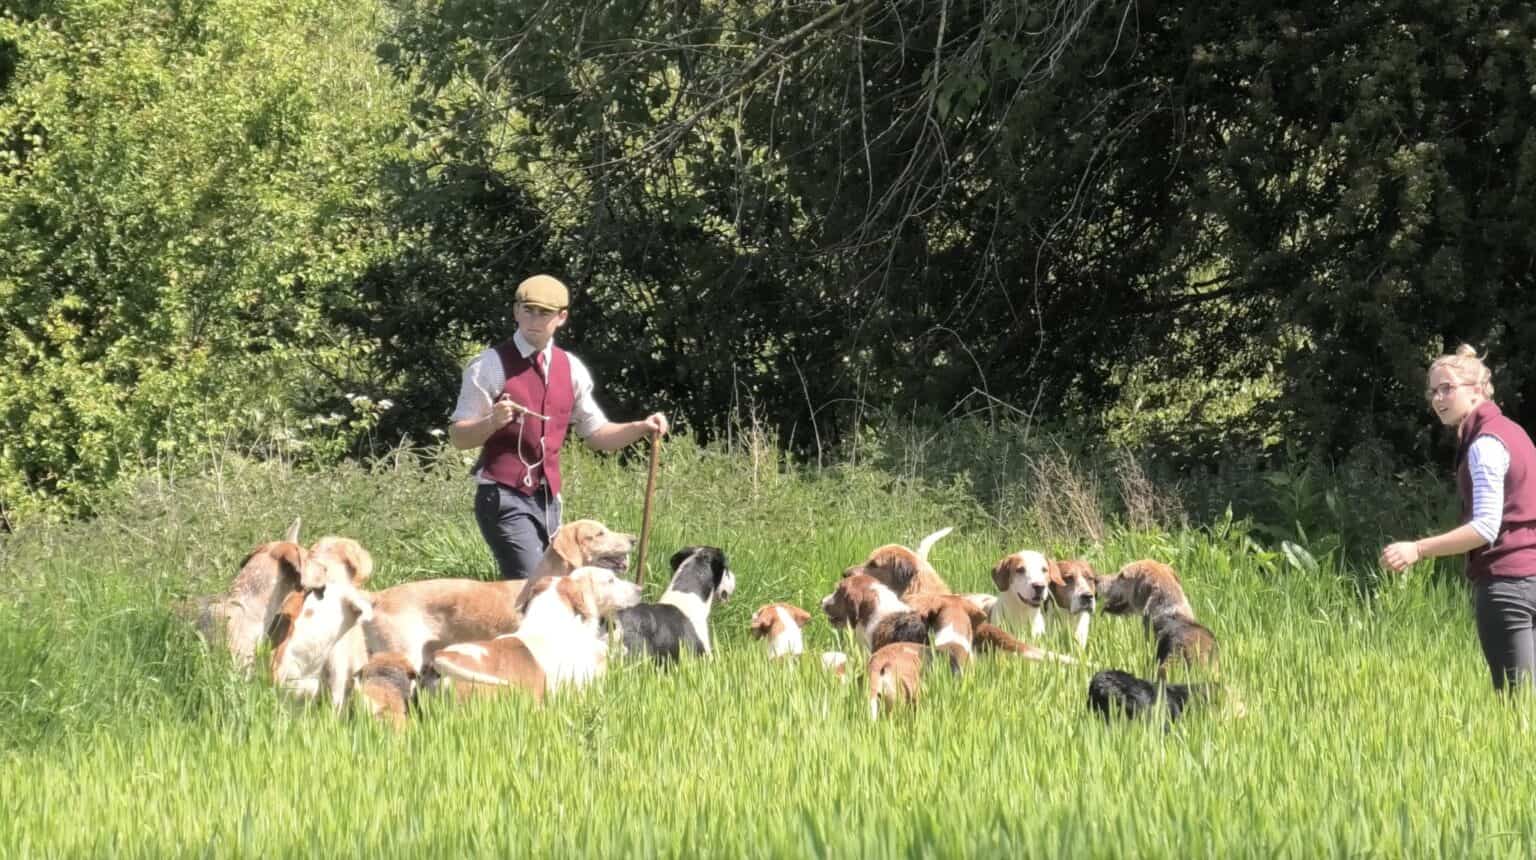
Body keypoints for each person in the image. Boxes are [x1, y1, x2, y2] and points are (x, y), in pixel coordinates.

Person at [448, 274, 668, 580]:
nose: (534, 319)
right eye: (528, 310)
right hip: (501, 494)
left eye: (544, 313)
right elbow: (459, 437)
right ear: (516, 312)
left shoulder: (571, 368)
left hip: (549, 499)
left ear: (561, 317)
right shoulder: (489, 366)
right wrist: (491, 422)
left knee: (553, 588)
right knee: (533, 583)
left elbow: (597, 434)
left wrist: (641, 426)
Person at [1381, 345, 1536, 692]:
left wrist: (1418, 549)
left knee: (1518, 707)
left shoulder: (1485, 445)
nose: (1438, 398)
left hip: (1508, 587)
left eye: (1447, 388)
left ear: (1477, 390)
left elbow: (1484, 526)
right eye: (1433, 391)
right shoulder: (1517, 434)